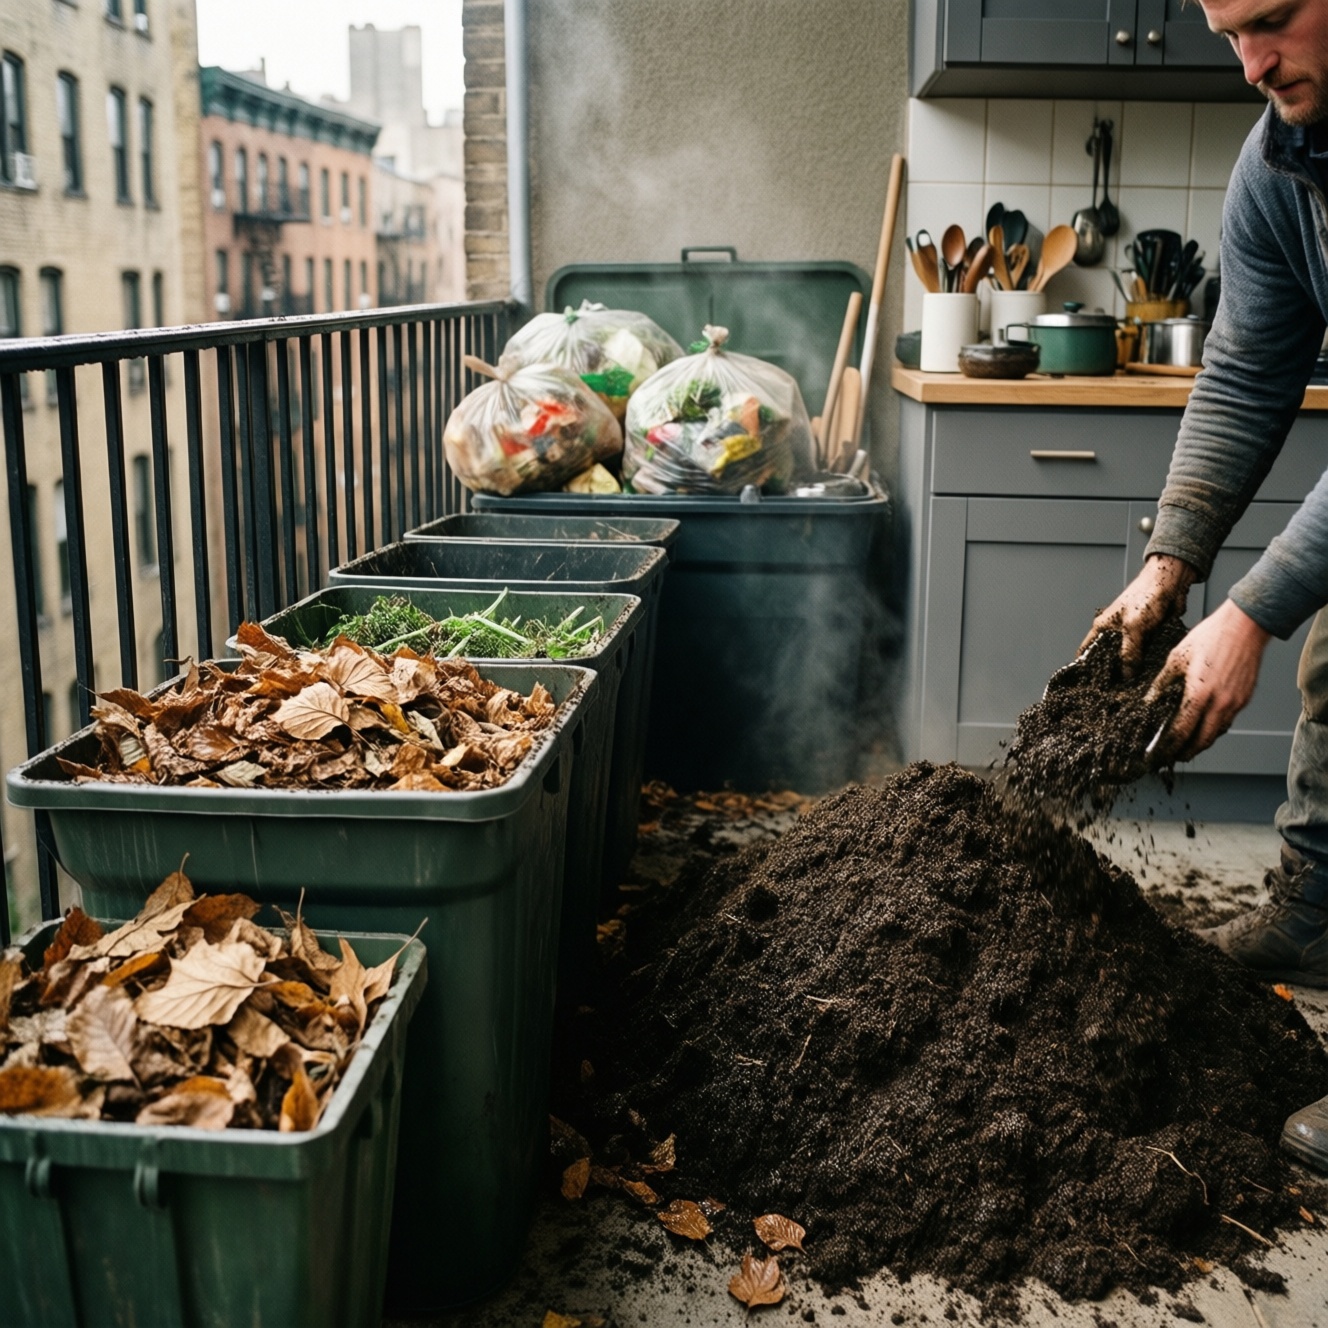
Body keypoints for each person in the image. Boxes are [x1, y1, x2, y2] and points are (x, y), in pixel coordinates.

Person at [1085, 0, 1328, 1172]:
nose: (1249, 64)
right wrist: (1170, 566)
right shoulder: (1280, 160)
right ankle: (1319, 903)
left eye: (1272, 20)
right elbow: (1241, 372)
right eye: (1227, 29)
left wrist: (1249, 611)